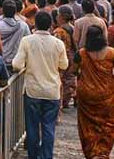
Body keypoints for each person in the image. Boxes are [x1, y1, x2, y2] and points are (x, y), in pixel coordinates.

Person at [13, 11, 68, 159]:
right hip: (52, 91)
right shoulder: (58, 43)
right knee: (48, 127)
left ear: (35, 24)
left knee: (32, 127)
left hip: (33, 91)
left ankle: (34, 155)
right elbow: (64, 65)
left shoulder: (27, 41)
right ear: (50, 25)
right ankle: (46, 156)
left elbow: (17, 64)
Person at [75, 25, 114, 159]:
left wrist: (83, 79)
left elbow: (73, 70)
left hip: (87, 95)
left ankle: (92, 153)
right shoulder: (112, 53)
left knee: (87, 125)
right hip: (108, 94)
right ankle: (103, 153)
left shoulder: (81, 54)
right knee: (108, 124)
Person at [0, 0, 30, 66]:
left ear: (3, 11)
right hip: (17, 62)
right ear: (15, 12)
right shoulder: (23, 26)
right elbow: (28, 44)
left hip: (0, 62)